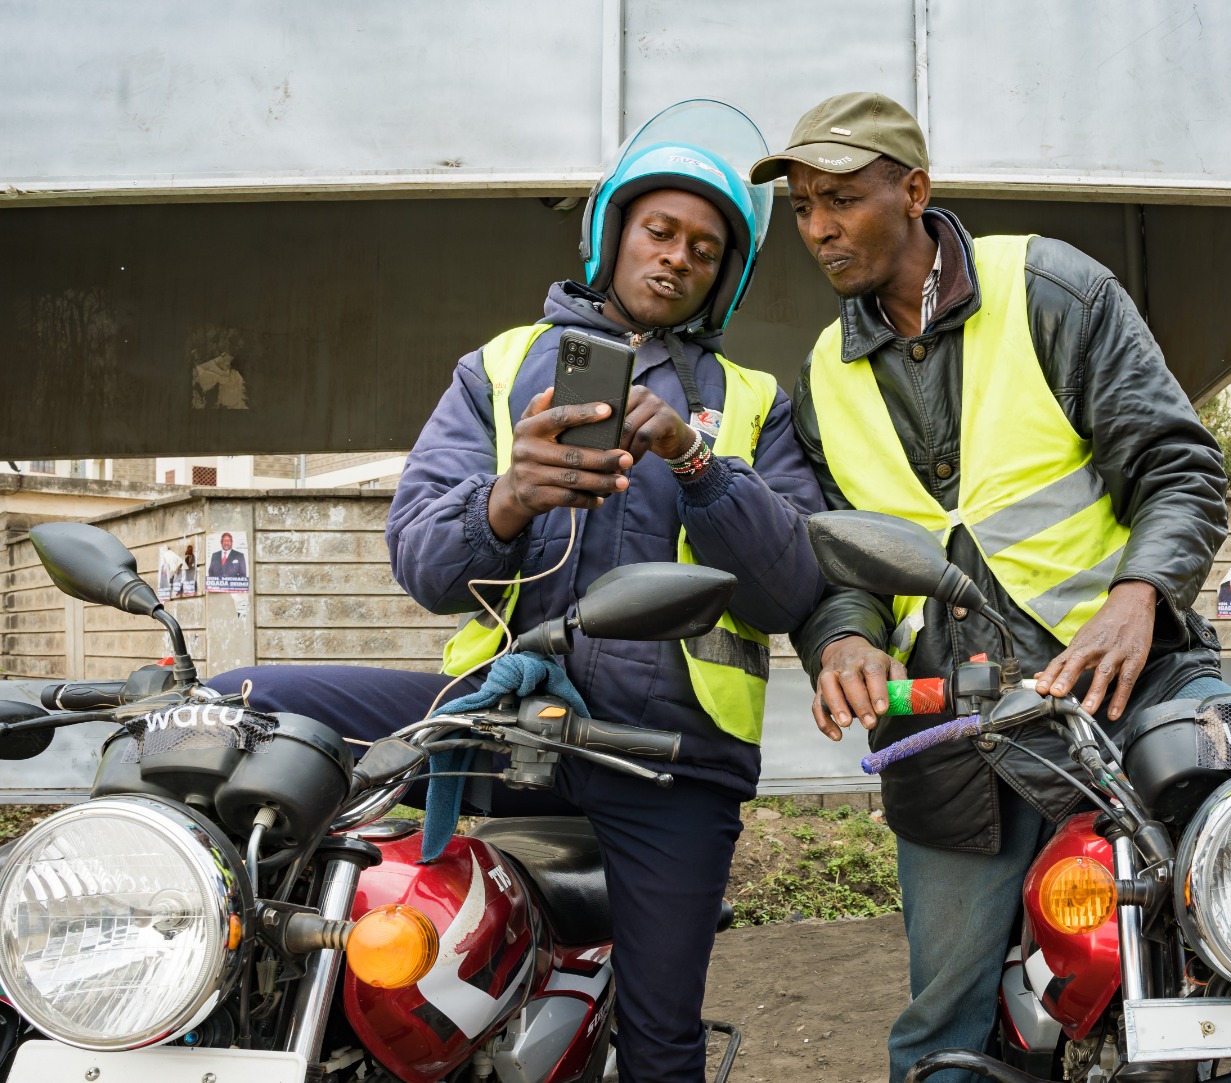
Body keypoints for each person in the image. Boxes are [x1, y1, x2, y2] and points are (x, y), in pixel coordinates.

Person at [210, 101, 824, 1083]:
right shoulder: (498, 368)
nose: (674, 258)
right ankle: (219, 956)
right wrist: (503, 501)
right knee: (242, 700)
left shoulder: (753, 401)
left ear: (724, 276)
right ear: (612, 232)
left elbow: (788, 589)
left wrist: (696, 461)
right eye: (658, 231)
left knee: (664, 1043)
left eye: (703, 250)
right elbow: (419, 562)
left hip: (669, 757)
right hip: (494, 723)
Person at [752, 93, 1231, 1082]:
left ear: (914, 192)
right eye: (801, 207)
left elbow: (1179, 470)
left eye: (840, 199)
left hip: (1124, 691)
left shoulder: (1051, 290)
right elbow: (843, 570)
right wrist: (842, 640)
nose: (818, 229)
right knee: (942, 1031)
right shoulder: (822, 381)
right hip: (955, 735)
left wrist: (1138, 595)